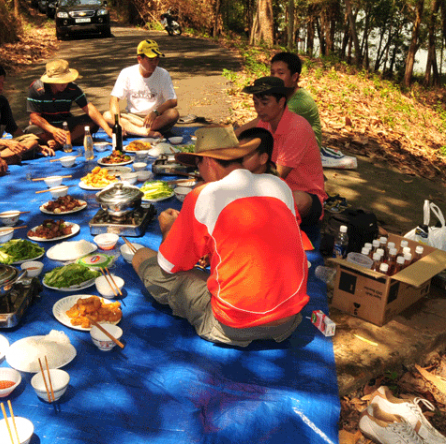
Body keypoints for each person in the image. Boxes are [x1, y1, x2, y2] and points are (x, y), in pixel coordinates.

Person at [131, 126, 309, 346]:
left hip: (232, 324)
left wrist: (169, 228)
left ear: (208, 161)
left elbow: (169, 265)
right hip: (289, 319)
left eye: (198, 165)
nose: (199, 173)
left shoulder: (205, 194)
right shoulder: (279, 185)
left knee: (142, 257)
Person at [241, 76, 326, 225]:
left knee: (300, 201)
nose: (259, 108)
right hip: (273, 188)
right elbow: (241, 144)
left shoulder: (297, 128)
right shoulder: (264, 122)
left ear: (281, 102)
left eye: (265, 103)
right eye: (255, 103)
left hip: (303, 194)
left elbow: (277, 175)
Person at [236, 52, 322, 147]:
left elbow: (262, 122)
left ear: (294, 77)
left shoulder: (300, 102)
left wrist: (234, 135)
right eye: (272, 73)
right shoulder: (280, 95)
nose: (275, 77)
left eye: (281, 73)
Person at [26, 59, 114, 148]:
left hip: (66, 125)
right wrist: (54, 130)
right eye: (60, 82)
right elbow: (34, 117)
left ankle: (64, 141)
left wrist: (107, 129)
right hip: (46, 126)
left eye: (65, 80)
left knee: (92, 120)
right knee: (31, 130)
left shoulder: (72, 88)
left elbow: (89, 108)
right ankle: (56, 139)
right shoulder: (37, 88)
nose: (64, 84)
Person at [103, 39, 179, 138]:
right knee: (107, 116)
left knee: (173, 113)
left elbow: (172, 101)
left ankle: (133, 131)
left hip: (155, 118)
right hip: (133, 117)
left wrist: (155, 112)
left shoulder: (163, 74)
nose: (154, 63)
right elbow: (114, 100)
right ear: (139, 59)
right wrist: (118, 123)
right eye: (150, 60)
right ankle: (144, 133)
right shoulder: (127, 73)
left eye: (157, 59)